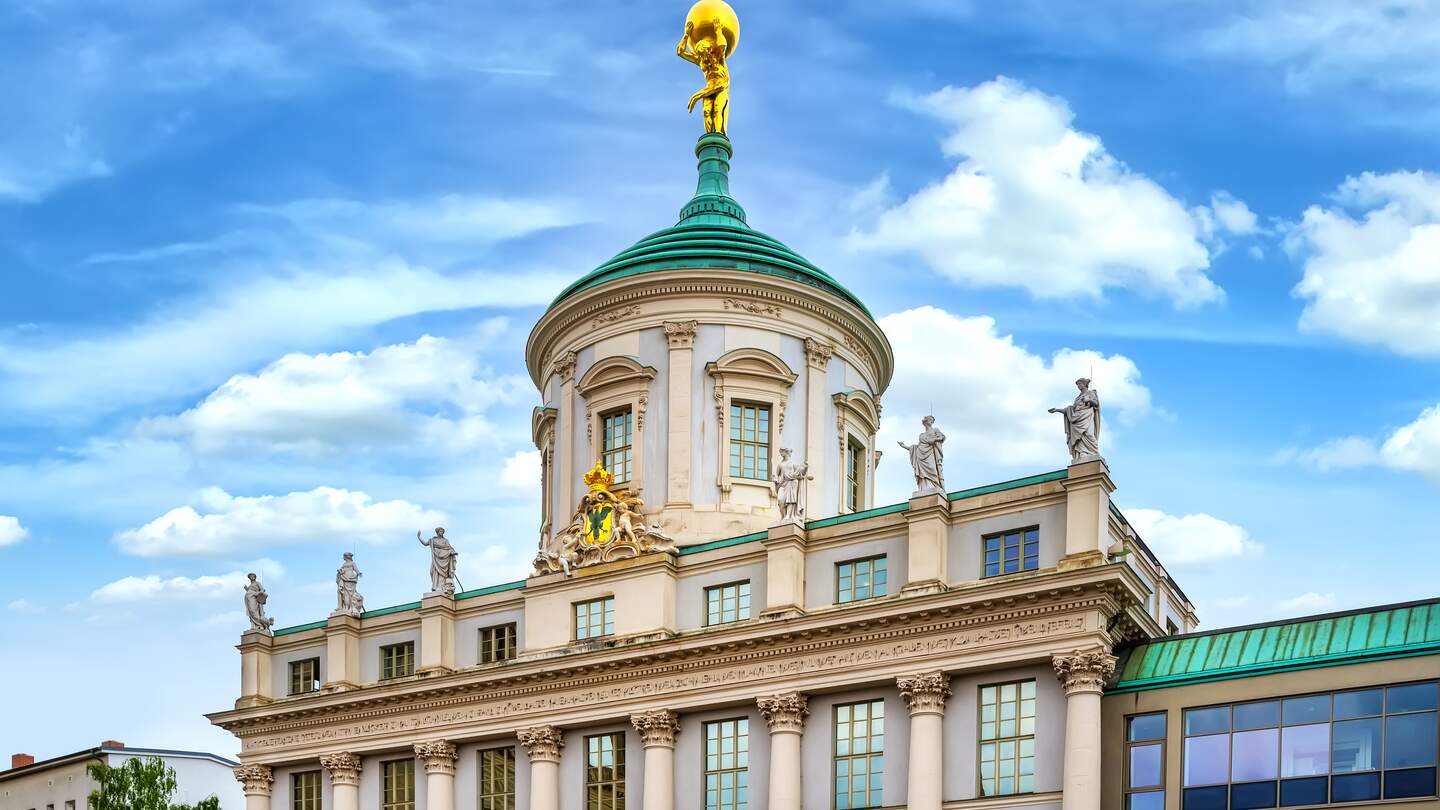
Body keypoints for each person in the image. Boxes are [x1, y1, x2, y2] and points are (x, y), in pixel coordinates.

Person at [677, 21, 731, 134]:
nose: (705, 57)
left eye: (705, 53)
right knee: (706, 111)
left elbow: (723, 45)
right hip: (709, 87)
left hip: (721, 87)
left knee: (717, 109)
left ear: (710, 50)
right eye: (701, 54)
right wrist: (686, 35)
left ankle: (718, 134)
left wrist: (718, 31)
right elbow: (680, 52)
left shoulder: (718, 57)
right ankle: (709, 136)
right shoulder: (700, 60)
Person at [1049, 378, 1102, 463]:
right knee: (1080, 439)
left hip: (1087, 415)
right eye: (1077, 385)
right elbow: (1069, 410)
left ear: (1084, 384)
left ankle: (1093, 452)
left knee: (1089, 434)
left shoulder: (1091, 393)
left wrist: (1089, 400)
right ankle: (1082, 453)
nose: (1078, 386)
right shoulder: (1077, 398)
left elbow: (1096, 404)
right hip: (1076, 418)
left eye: (1080, 384)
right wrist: (1057, 410)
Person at [898, 415, 946, 493]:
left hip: (930, 453)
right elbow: (916, 447)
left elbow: (942, 437)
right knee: (922, 473)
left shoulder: (935, 430)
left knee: (932, 469)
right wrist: (904, 446)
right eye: (930, 419)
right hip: (920, 454)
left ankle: (935, 485)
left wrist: (934, 439)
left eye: (932, 420)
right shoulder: (922, 435)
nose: (931, 421)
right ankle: (925, 487)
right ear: (926, 421)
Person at [771, 447, 811, 522]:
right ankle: (783, 516)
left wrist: (806, 467)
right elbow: (776, 474)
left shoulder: (793, 463)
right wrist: (775, 478)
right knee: (780, 500)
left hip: (792, 483)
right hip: (783, 484)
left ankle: (788, 516)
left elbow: (801, 472)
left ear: (786, 452)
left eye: (782, 451)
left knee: (791, 500)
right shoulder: (780, 464)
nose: (781, 453)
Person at [417, 527, 458, 596]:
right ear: (437, 532)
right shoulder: (433, 540)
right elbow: (425, 543)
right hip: (436, 559)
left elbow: (450, 548)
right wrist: (419, 537)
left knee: (442, 575)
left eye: (442, 531)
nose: (441, 532)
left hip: (445, 559)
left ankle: (441, 587)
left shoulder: (445, 540)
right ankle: (436, 587)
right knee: (432, 572)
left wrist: (453, 553)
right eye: (440, 531)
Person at [335, 552, 365, 617]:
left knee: (348, 594)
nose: (343, 557)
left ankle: (348, 608)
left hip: (350, 578)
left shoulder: (352, 563)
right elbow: (343, 571)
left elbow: (356, 570)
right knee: (343, 593)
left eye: (344, 556)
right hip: (344, 577)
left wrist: (359, 573)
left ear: (347, 556)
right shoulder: (344, 564)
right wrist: (340, 572)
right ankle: (343, 607)